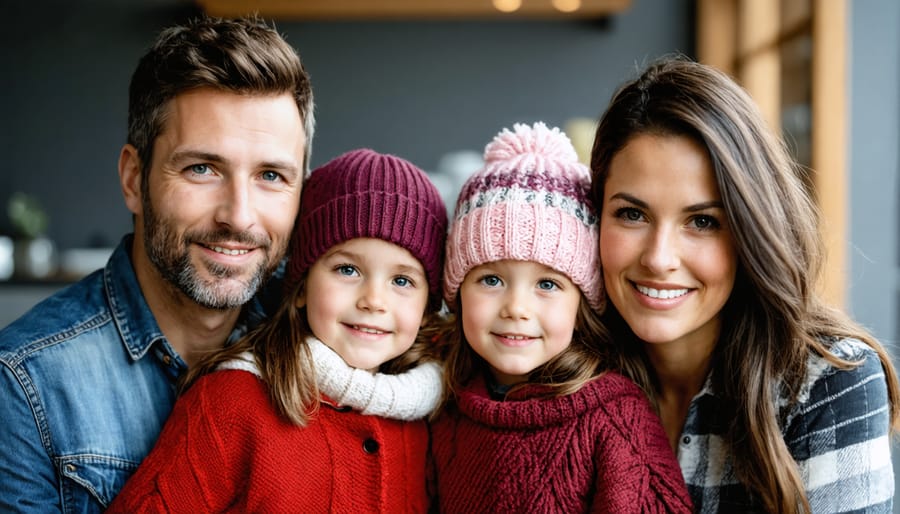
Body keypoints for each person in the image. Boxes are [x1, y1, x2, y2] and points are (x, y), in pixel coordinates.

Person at [0, 16, 314, 512]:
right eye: (202, 168)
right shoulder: (24, 386)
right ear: (133, 179)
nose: (239, 216)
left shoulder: (325, 338)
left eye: (271, 175)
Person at [590, 56, 900, 513]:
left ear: (749, 230)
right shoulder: (568, 367)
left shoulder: (830, 385)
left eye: (701, 221)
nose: (658, 258)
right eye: (632, 214)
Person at [107, 148, 449, 512]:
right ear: (301, 286)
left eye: (402, 280)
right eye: (348, 270)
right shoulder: (233, 400)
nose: (374, 300)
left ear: (428, 308)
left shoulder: (431, 417)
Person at [430, 122, 694, 513]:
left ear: (581, 302)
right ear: (457, 293)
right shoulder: (446, 405)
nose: (516, 308)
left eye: (548, 285)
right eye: (491, 279)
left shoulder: (614, 420)